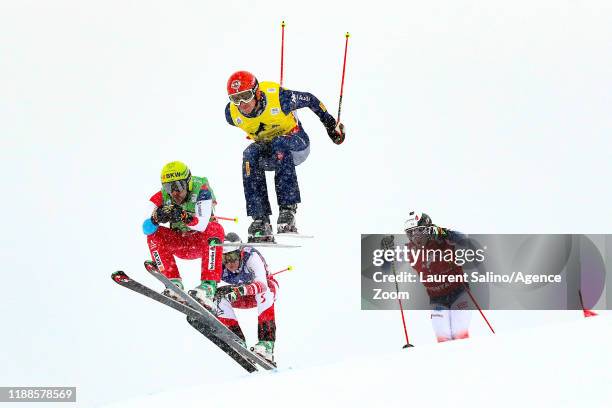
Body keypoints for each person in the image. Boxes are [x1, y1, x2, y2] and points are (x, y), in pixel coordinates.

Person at [225, 70, 346, 242]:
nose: (242, 104)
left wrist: (330, 125)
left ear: (257, 92)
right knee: (249, 155)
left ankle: (287, 211)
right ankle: (260, 220)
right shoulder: (231, 114)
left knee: (279, 143)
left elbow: (310, 99)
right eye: (235, 99)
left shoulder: (280, 99)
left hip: (296, 144)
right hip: (270, 152)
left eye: (245, 96)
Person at [142, 161, 224, 310]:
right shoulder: (161, 196)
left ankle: (208, 287)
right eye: (169, 187)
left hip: (201, 242)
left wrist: (184, 216)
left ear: (188, 182)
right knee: (154, 234)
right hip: (181, 243)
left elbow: (203, 224)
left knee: (215, 228)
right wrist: (155, 219)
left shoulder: (202, 189)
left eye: (178, 186)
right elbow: (146, 229)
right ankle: (173, 282)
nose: (174, 192)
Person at [384, 211, 472, 343]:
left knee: (460, 334)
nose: (415, 237)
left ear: (429, 229)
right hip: (437, 298)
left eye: (419, 231)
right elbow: (391, 257)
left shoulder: (442, 239)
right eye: (411, 233)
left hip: (459, 292)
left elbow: (465, 240)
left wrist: (444, 233)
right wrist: (387, 248)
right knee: (443, 337)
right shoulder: (410, 250)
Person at [213, 232, 279, 364]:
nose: (229, 263)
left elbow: (262, 285)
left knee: (265, 292)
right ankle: (236, 338)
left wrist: (243, 290)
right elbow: (211, 284)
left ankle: (266, 345)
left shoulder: (251, 257)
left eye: (232, 256)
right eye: (225, 258)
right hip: (242, 295)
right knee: (218, 296)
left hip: (264, 289)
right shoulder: (220, 265)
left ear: (240, 253)